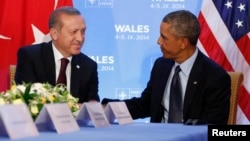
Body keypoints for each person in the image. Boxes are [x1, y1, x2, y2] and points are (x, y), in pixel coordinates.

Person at [102, 10, 231, 125]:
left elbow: (215, 124)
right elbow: (146, 105)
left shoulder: (215, 77)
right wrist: (109, 108)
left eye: (164, 38)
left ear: (183, 43)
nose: (158, 41)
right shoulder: (161, 66)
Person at [15, 6, 100, 103]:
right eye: (73, 32)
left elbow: (93, 103)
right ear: (54, 34)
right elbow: (29, 99)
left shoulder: (89, 66)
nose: (80, 38)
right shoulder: (30, 57)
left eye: (83, 31)